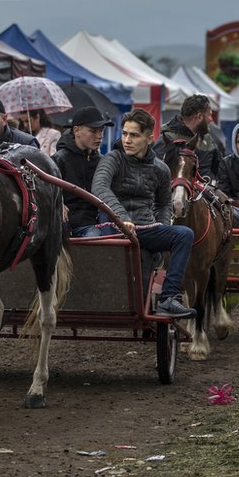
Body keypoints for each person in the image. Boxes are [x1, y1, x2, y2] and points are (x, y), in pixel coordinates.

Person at [92, 108, 196, 319]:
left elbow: (164, 203)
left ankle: (169, 297)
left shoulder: (160, 169)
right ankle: (135, 302)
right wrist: (122, 218)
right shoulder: (113, 159)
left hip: (146, 229)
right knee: (146, 252)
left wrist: (162, 224)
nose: (127, 140)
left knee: (184, 234)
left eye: (134, 135)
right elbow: (100, 188)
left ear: (150, 138)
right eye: (125, 134)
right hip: (115, 228)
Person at [52, 106, 111, 237]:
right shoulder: (59, 159)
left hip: (102, 221)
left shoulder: (104, 161)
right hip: (71, 224)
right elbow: (47, 190)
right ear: (76, 130)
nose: (100, 136)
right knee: (96, 237)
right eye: (93, 131)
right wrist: (57, 203)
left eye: (102, 131)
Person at [154, 94, 222, 180]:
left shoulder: (207, 140)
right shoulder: (167, 140)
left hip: (207, 191)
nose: (211, 119)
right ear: (199, 117)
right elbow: (155, 175)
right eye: (209, 115)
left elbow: (221, 171)